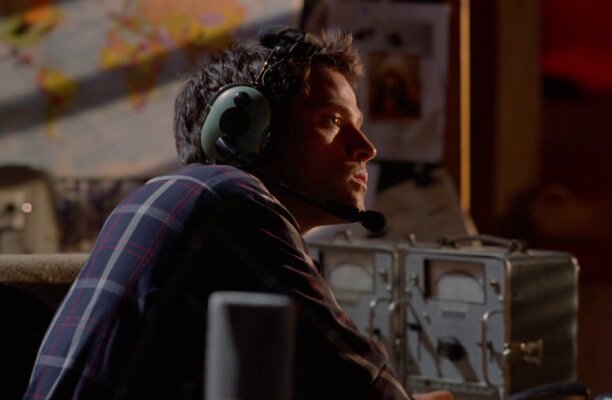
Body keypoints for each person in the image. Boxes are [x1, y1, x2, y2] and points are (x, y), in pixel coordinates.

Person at [23, 28, 452, 400]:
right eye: (333, 121)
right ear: (244, 130)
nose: (366, 148)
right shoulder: (231, 207)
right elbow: (365, 388)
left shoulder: (173, 195)